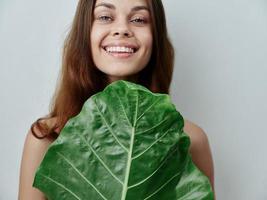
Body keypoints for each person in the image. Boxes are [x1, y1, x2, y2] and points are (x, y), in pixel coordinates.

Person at [18, 0, 215, 199]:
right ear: (85, 31)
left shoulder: (190, 140)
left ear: (155, 36)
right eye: (105, 17)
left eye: (139, 19)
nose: (122, 29)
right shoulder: (46, 137)